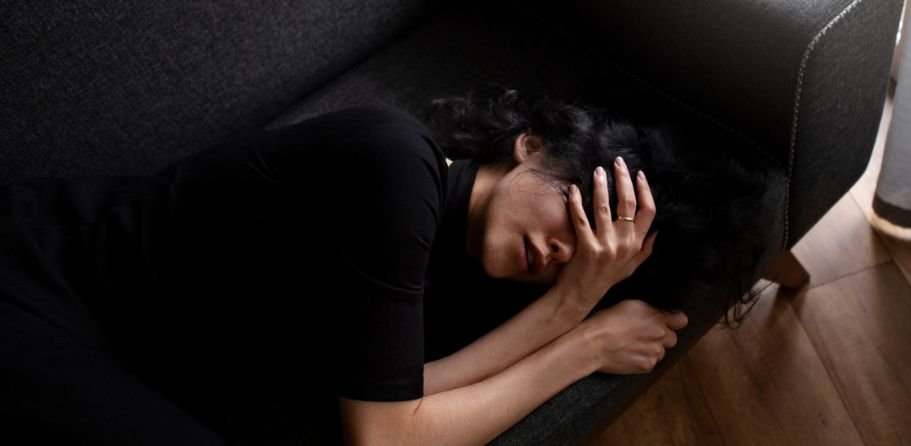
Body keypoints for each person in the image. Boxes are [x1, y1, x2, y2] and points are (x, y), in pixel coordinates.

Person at [0, 84, 772, 445]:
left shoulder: (464, 282)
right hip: (38, 276)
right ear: (530, 145)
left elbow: (391, 397)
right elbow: (387, 440)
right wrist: (577, 332)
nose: (564, 255)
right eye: (575, 215)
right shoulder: (395, 163)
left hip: (128, 361)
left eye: (592, 258)